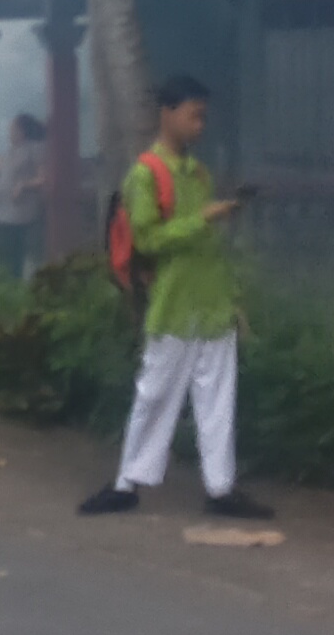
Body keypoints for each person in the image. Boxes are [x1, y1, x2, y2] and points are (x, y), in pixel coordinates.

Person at [80, 76, 274, 520]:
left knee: (218, 399)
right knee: (154, 394)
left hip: (211, 302)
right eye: (193, 115)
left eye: (203, 116)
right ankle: (127, 482)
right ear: (166, 113)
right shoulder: (146, 174)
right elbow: (147, 239)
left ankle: (221, 487)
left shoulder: (198, 173)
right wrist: (202, 218)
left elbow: (206, 247)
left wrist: (233, 299)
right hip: (172, 304)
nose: (200, 125)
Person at [0, 112, 49, 280]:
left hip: (20, 215)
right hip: (2, 212)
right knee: (0, 258)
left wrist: (23, 185)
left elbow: (43, 178)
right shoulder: (12, 151)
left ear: (22, 131)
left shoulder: (35, 149)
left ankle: (12, 289)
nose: (9, 132)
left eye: (12, 129)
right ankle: (4, 289)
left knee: (12, 259)